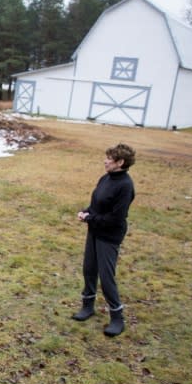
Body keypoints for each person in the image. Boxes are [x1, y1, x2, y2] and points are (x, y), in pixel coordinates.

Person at [72, 143, 136, 337]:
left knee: (106, 277)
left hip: (109, 235)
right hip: (95, 230)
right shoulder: (106, 178)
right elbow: (96, 204)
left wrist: (90, 218)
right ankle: (87, 306)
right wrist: (86, 211)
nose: (105, 160)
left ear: (120, 162)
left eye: (109, 158)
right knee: (89, 269)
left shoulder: (125, 186)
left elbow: (115, 218)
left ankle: (117, 318)